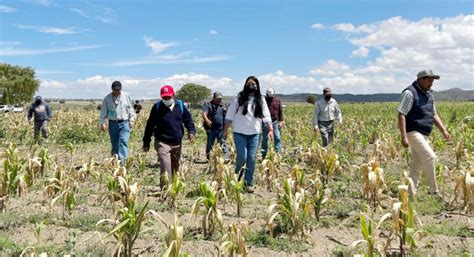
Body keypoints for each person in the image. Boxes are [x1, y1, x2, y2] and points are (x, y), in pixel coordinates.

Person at [398, 69, 451, 197]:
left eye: (432, 81)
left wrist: (443, 130)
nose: (431, 84)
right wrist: (404, 136)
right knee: (430, 157)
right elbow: (401, 114)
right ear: (420, 79)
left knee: (417, 163)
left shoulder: (429, 95)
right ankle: (433, 191)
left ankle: (410, 193)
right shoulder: (410, 93)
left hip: (424, 133)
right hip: (413, 131)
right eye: (428, 81)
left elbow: (433, 114)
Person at [224, 76, 273, 193]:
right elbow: (230, 114)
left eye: (254, 83)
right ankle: (237, 179)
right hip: (240, 132)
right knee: (242, 158)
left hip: (255, 133)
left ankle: (248, 184)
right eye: (249, 83)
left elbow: (266, 115)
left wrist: (270, 129)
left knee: (251, 158)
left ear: (257, 85)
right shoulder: (239, 97)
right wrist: (225, 130)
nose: (251, 85)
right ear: (245, 85)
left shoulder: (261, 99)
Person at [142, 85, 196, 183]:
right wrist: (146, 142)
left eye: (168, 97)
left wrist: (191, 132)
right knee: (165, 167)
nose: (166, 99)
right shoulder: (157, 107)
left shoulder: (180, 106)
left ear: (174, 95)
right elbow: (149, 126)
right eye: (164, 97)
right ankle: (165, 193)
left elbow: (188, 121)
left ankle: (173, 189)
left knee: (175, 167)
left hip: (177, 142)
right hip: (162, 141)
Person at [99, 81, 136, 162]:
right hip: (113, 123)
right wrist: (102, 123)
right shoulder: (107, 98)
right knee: (115, 144)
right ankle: (115, 160)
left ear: (120, 89)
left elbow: (131, 109)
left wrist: (131, 120)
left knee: (123, 141)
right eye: (115, 90)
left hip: (125, 122)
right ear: (112, 89)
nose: (116, 92)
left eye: (118, 90)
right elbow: (103, 111)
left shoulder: (126, 96)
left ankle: (122, 162)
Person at [202, 91, 229, 160]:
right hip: (211, 129)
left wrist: (226, 129)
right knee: (210, 144)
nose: (219, 100)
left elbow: (227, 117)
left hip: (221, 129)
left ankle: (225, 158)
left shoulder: (223, 106)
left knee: (223, 143)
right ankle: (209, 157)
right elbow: (204, 113)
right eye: (218, 99)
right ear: (213, 98)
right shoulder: (208, 105)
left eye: (220, 99)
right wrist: (207, 120)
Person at [261, 88, 284, 159]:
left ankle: (278, 154)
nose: (270, 98)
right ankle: (263, 155)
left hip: (275, 122)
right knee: (265, 139)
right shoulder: (263, 101)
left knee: (277, 137)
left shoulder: (277, 101)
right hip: (266, 123)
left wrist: (281, 121)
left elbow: (280, 111)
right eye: (269, 96)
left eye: (271, 96)